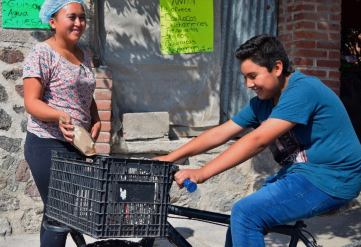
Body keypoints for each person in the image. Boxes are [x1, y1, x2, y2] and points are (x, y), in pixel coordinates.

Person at [154, 34, 361, 246]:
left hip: (332, 177)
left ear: (277, 68)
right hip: (300, 174)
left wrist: (201, 173)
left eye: (253, 76)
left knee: (246, 214)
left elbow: (258, 140)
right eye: (244, 77)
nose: (248, 84)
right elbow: (220, 133)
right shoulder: (262, 103)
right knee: (240, 220)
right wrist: (171, 157)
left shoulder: (303, 90)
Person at [22, 0, 101, 247]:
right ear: (53, 21)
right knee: (59, 211)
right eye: (72, 17)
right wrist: (59, 116)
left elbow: (85, 94)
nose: (79, 23)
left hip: (76, 146)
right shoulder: (41, 53)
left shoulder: (84, 54)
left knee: (57, 213)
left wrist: (95, 119)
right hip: (47, 143)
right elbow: (31, 102)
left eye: (82, 17)